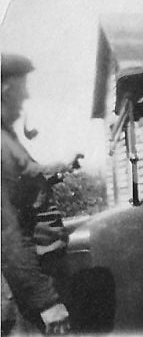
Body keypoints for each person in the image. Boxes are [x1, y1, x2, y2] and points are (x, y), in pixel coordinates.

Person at [1, 53, 73, 335]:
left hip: (28, 284)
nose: (27, 96)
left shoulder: (7, 140)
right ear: (6, 90)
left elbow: (26, 177)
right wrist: (45, 301)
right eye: (23, 87)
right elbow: (7, 235)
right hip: (21, 298)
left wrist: (61, 168)